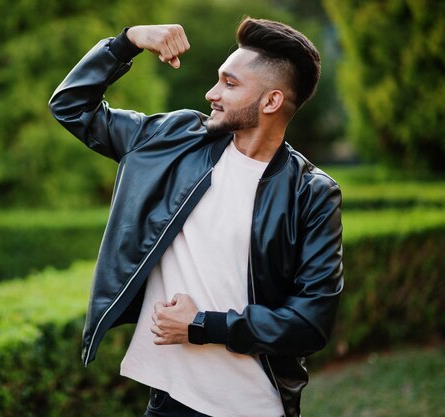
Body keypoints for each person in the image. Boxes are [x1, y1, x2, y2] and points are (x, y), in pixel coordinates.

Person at [49, 17, 343, 417]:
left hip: (253, 405)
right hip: (168, 400)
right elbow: (71, 106)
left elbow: (310, 322)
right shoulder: (175, 140)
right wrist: (128, 42)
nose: (212, 93)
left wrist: (201, 325)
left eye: (230, 83)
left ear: (271, 101)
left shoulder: (311, 193)